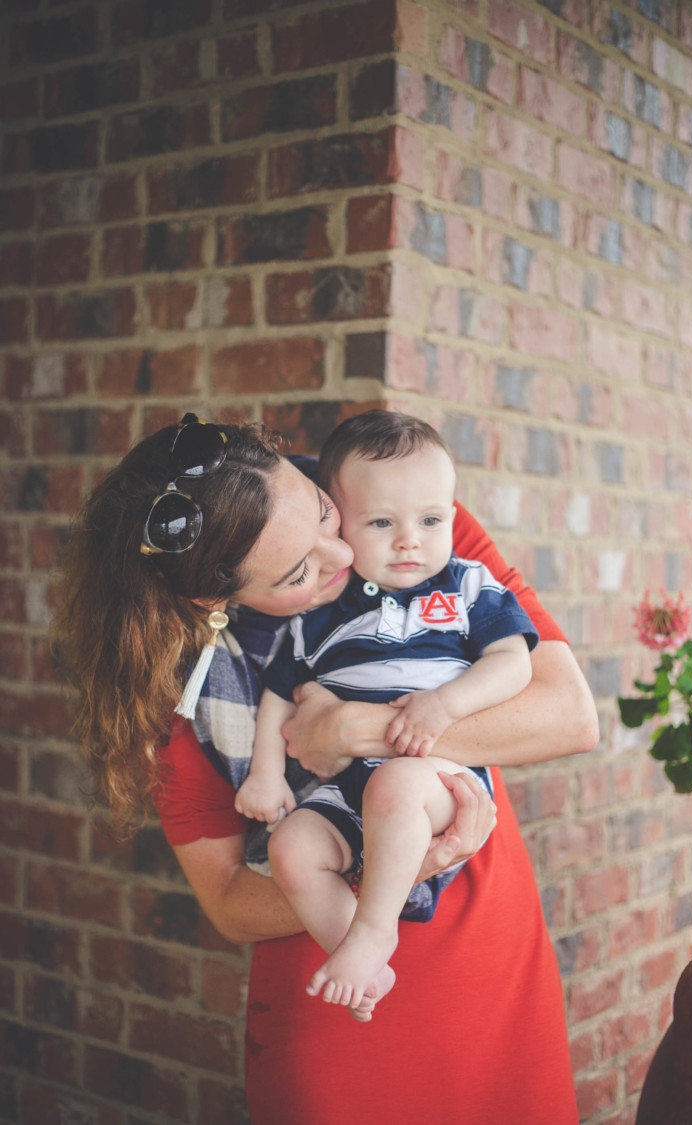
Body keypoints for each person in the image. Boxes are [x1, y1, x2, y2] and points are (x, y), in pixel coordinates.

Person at [52, 409, 599, 1125]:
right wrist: (400, 867)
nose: (341, 555)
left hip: (491, 960)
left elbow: (569, 713)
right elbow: (227, 903)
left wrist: (357, 727)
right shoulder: (181, 693)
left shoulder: (396, 513)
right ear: (215, 601)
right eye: (297, 571)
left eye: (320, 512)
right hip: (340, 1000)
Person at [236, 412, 539, 1016]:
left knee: (398, 785)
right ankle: (360, 958)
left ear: (452, 516)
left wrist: (444, 704)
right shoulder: (320, 615)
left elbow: (514, 663)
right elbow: (278, 694)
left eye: (430, 520)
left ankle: (376, 930)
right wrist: (266, 774)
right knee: (291, 846)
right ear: (341, 526)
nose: (410, 540)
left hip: (436, 779)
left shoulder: (466, 587)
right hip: (348, 790)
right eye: (381, 522)